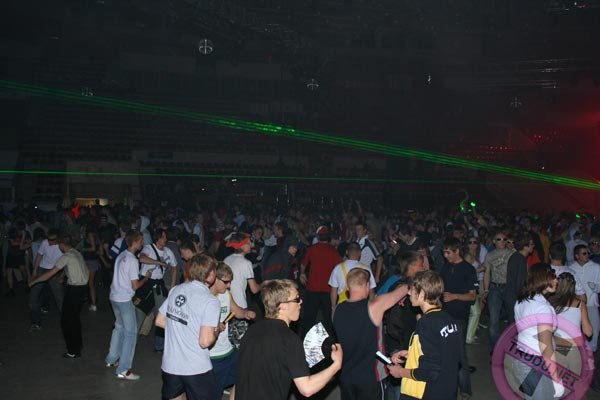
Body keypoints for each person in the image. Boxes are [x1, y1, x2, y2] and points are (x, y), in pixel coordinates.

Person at [236, 279, 343, 400]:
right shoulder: (289, 338)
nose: (301, 302)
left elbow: (239, 380)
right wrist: (336, 364)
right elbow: (307, 388)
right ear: (283, 306)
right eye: (296, 299)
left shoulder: (251, 331)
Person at [334, 268, 409, 400]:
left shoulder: (338, 309)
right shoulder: (374, 306)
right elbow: (404, 289)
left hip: (346, 377)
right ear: (367, 286)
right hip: (371, 379)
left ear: (347, 287)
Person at [155, 254, 221, 400]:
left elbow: (159, 320)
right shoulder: (210, 301)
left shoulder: (176, 290)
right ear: (211, 274)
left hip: (171, 365)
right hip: (196, 368)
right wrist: (216, 331)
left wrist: (183, 328)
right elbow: (205, 341)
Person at [387, 270, 461, 400]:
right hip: (448, 389)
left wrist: (400, 372)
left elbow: (429, 372)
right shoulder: (449, 319)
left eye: (412, 290)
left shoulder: (426, 323)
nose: (408, 293)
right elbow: (442, 353)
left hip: (430, 392)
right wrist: (412, 353)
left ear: (422, 294)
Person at [28, 234, 89, 358]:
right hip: (82, 289)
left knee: (66, 322)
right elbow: (83, 269)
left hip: (74, 290)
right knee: (75, 319)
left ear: (61, 245)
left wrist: (34, 281)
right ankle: (77, 346)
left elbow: (50, 273)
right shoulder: (76, 253)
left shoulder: (66, 256)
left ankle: (72, 351)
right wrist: (63, 276)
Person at [104, 230, 152, 380]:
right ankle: (124, 369)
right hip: (124, 299)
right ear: (135, 242)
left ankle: (111, 359)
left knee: (119, 327)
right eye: (141, 240)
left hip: (114, 297)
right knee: (130, 334)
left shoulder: (121, 255)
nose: (142, 243)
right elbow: (135, 286)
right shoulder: (132, 260)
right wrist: (146, 278)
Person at [511, 263, 561, 399]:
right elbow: (545, 347)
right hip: (536, 365)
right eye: (553, 277)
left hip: (521, 360)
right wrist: (556, 378)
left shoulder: (522, 300)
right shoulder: (542, 308)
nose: (556, 280)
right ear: (542, 279)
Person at [209, 262, 256, 397]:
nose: (229, 285)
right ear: (215, 279)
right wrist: (214, 326)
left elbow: (236, 311)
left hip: (228, 350)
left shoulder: (226, 294)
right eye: (226, 282)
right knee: (214, 392)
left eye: (230, 282)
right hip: (212, 355)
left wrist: (245, 313)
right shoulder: (204, 298)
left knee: (243, 376)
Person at [439, 237, 477, 398]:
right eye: (444, 252)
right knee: (443, 351)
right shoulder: (445, 267)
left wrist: (454, 296)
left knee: (460, 353)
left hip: (459, 316)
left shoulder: (468, 269)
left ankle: (465, 389)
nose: (445, 256)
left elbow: (472, 296)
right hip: (444, 315)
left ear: (457, 251)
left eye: (448, 252)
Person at [299, 226, 342, 337]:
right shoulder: (333, 251)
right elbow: (340, 268)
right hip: (328, 289)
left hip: (312, 288)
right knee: (328, 318)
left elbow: (303, 264)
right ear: (328, 237)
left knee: (309, 317)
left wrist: (302, 273)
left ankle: (303, 339)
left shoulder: (312, 249)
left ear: (318, 237)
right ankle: (331, 341)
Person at [548, 272, 593, 373]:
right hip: (574, 348)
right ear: (573, 287)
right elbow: (588, 332)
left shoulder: (551, 303)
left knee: (559, 380)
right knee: (575, 379)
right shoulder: (580, 304)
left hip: (557, 347)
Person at [223, 233, 261, 349]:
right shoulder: (246, 263)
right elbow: (254, 289)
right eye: (248, 243)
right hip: (240, 307)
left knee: (228, 340)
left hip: (226, 304)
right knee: (241, 344)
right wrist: (263, 285)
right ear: (242, 246)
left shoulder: (226, 259)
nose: (251, 245)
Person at [481, 231, 514, 351]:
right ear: (494, 242)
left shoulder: (512, 254)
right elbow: (487, 273)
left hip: (508, 287)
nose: (502, 241)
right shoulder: (490, 255)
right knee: (493, 320)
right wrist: (486, 289)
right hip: (495, 288)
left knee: (511, 317)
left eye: (504, 239)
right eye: (499, 239)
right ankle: (495, 348)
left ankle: (510, 346)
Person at [29, 229, 64, 330]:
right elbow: (39, 255)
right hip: (42, 269)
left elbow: (67, 262)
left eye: (52, 240)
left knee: (60, 298)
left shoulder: (62, 246)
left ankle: (66, 321)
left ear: (57, 239)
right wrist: (35, 270)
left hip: (55, 271)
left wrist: (62, 275)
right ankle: (36, 322)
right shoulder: (45, 242)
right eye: (48, 239)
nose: (49, 242)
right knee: (33, 297)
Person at [568, 244, 600, 351]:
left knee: (594, 328)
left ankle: (592, 350)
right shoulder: (571, 268)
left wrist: (595, 287)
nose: (587, 255)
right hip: (575, 305)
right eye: (584, 253)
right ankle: (577, 351)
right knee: (574, 328)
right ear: (577, 256)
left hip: (591, 303)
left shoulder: (596, 267)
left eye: (588, 253)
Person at [329, 242, 376, 307]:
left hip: (342, 306)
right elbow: (371, 292)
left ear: (346, 252)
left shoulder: (338, 268)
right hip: (361, 306)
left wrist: (333, 307)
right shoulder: (366, 269)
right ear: (360, 253)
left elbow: (333, 291)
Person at [505, 233, 535, 323]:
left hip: (512, 298)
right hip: (515, 299)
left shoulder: (516, 257)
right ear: (525, 246)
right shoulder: (520, 260)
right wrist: (523, 299)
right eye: (531, 244)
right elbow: (519, 283)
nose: (533, 246)